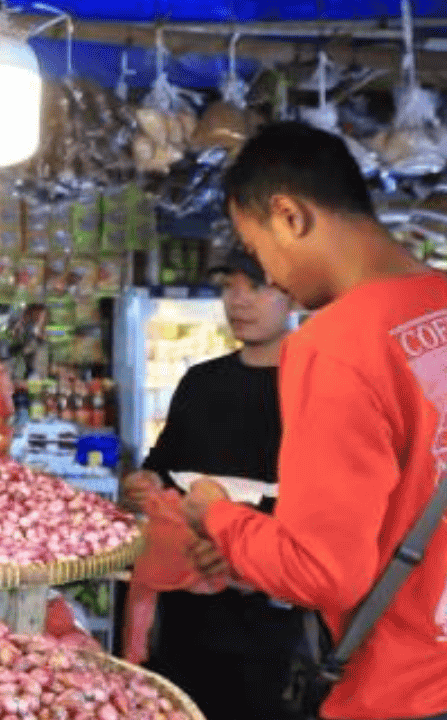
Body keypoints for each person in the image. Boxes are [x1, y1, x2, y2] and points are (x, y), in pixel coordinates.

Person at [182, 121, 447, 720]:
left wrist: (216, 516)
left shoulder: (336, 345)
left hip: (399, 696)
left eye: (258, 251)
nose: (272, 276)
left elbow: (322, 573)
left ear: (289, 216)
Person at [120, 244, 303, 720]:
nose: (238, 300)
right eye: (228, 287)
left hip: (271, 622)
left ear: (294, 295)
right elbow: (164, 465)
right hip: (183, 609)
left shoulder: (316, 388)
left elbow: (326, 508)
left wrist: (243, 546)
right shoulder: (201, 382)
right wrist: (142, 483)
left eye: (256, 287)